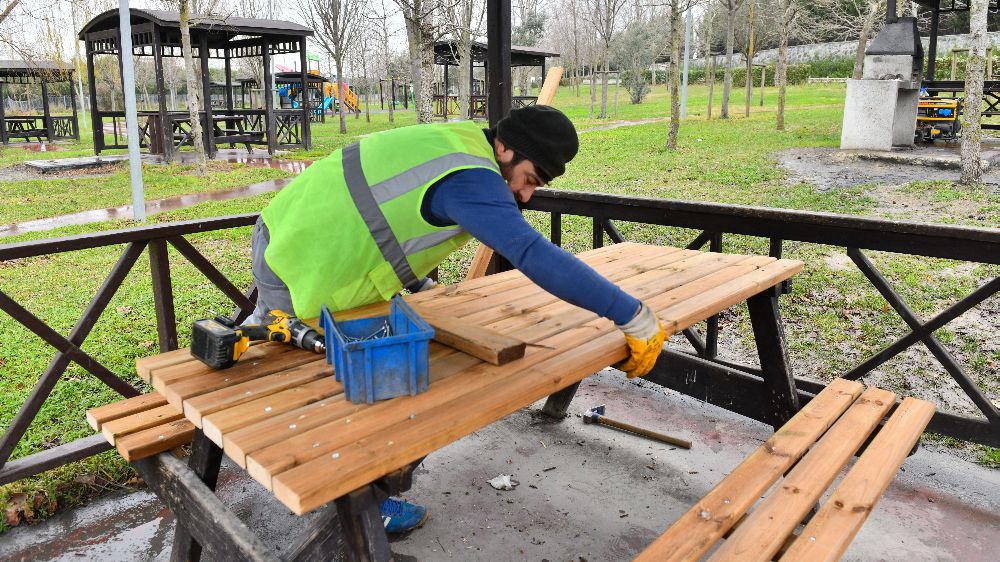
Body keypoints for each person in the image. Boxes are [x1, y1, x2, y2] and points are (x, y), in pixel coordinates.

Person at [248, 105, 666, 533]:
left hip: (290, 229)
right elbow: (531, 253)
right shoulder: (473, 180)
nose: (526, 195)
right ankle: (356, 508)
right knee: (340, 385)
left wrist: (414, 284)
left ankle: (346, 490)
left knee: (369, 377)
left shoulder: (462, 143)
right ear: (504, 149)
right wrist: (630, 314)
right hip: (301, 261)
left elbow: (382, 206)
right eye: (529, 180)